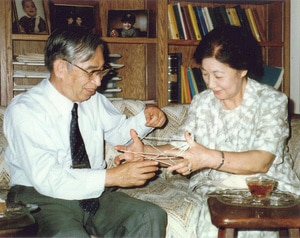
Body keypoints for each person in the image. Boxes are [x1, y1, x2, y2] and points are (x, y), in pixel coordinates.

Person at [116, 25, 300, 237]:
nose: (211, 84)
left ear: (242, 70)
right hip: (218, 190)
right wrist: (145, 152)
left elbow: (262, 161)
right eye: (204, 74)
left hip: (267, 188)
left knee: (257, 226)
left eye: (218, 75)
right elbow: (181, 147)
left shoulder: (271, 101)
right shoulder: (202, 102)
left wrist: (208, 158)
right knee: (212, 220)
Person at [4, 26, 167, 237]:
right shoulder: (25, 110)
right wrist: (110, 177)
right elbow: (48, 179)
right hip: (40, 196)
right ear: (61, 68)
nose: (98, 82)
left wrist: (146, 119)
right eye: (91, 72)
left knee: (149, 215)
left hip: (93, 194)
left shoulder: (93, 100)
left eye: (101, 71)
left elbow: (119, 134)